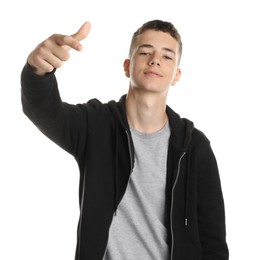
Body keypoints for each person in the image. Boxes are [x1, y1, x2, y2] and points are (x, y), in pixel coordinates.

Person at [21, 19, 229, 260]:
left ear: (176, 75)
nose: (155, 60)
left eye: (167, 56)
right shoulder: (96, 125)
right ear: (127, 66)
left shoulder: (194, 147)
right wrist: (38, 71)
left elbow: (213, 243)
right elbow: (43, 109)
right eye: (145, 52)